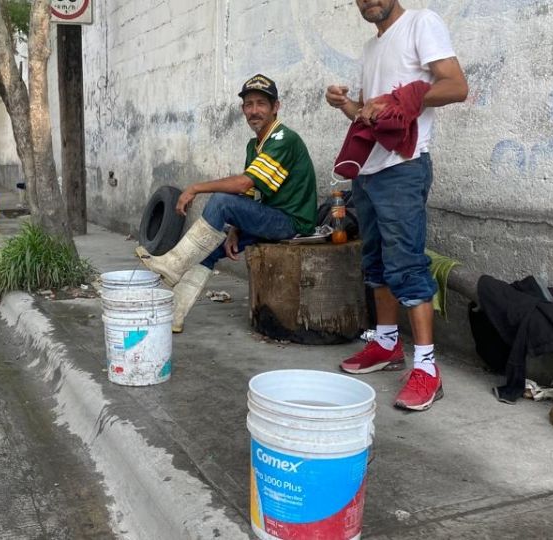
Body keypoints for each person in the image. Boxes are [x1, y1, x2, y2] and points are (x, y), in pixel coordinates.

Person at [325, 0, 468, 412]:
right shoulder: (371, 50)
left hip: (404, 168)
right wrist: (348, 106)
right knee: (376, 264)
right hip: (369, 170)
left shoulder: (422, 23)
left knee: (406, 264)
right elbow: (374, 119)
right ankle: (386, 344)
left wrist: (400, 99)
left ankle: (427, 368)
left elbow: (456, 86)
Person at [137, 74, 317, 334]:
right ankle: (175, 314)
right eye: (249, 104)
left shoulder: (283, 139)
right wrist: (234, 230)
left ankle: (173, 264)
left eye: (261, 104)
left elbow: (242, 184)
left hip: (292, 222)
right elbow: (251, 193)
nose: (254, 111)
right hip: (270, 216)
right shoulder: (254, 145)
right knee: (209, 248)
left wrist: (196, 188)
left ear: (275, 107)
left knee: (220, 200)